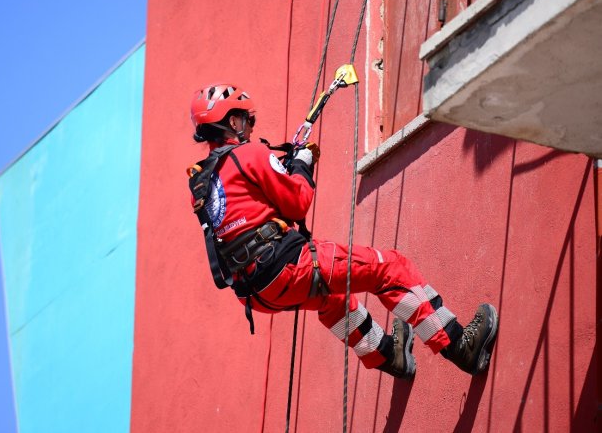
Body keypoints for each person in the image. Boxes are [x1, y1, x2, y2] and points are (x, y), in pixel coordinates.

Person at [187, 83, 499, 379]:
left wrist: (289, 166)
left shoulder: (201, 182)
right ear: (233, 122)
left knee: (330, 300)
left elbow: (249, 215)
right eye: (245, 120)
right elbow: (297, 204)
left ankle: (390, 356)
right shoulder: (250, 154)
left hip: (254, 293)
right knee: (388, 268)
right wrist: (302, 164)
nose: (251, 128)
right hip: (285, 266)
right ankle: (460, 346)